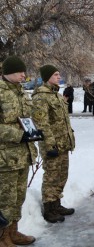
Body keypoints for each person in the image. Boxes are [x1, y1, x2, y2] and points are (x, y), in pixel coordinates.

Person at [0, 55, 41, 245]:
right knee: (5, 200)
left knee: (18, 198)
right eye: (20, 72)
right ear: (8, 73)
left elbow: (26, 120)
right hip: (5, 158)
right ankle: (2, 238)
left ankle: (13, 232)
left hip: (23, 155)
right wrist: (17, 135)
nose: (24, 75)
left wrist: (33, 131)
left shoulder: (21, 92)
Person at [32, 65, 76, 224]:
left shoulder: (56, 94)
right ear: (47, 77)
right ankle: (49, 209)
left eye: (59, 74)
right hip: (52, 146)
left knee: (61, 175)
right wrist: (50, 145)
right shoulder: (41, 96)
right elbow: (41, 124)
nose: (59, 77)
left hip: (63, 144)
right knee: (51, 176)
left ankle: (57, 204)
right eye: (56, 74)